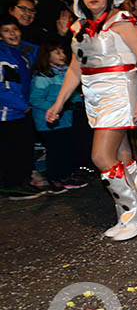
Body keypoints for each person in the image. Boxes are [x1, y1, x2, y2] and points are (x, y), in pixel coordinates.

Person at [46, 0, 137, 240]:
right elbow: (74, 68)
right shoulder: (78, 29)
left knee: (100, 156)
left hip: (120, 92)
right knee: (120, 154)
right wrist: (58, 103)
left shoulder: (122, 21)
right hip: (94, 96)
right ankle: (128, 212)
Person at [29, 38, 90, 194]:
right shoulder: (43, 76)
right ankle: (54, 178)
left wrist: (78, 103)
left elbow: (72, 95)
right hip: (48, 121)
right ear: (46, 55)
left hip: (66, 120)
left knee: (66, 148)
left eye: (62, 51)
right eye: (56, 52)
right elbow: (35, 99)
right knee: (56, 150)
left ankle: (65, 176)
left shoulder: (66, 73)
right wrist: (53, 108)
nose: (62, 54)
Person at [0, 16, 42, 199]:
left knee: (24, 148)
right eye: (6, 30)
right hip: (7, 115)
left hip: (22, 112)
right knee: (12, 151)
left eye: (15, 29)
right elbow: (2, 89)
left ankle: (22, 181)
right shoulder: (3, 56)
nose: (12, 34)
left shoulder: (20, 52)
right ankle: (13, 185)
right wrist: (23, 105)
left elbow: (39, 53)